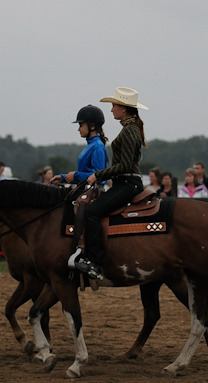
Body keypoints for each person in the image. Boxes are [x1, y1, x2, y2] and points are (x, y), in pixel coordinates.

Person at [74, 87, 148, 279]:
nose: (112, 109)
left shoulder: (130, 130)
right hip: (125, 182)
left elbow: (125, 165)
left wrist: (98, 174)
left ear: (123, 108)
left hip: (128, 183)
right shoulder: (130, 128)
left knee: (92, 212)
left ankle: (95, 262)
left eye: (114, 105)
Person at [50, 105, 109, 188]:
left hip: (93, 193)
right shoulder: (91, 145)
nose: (78, 129)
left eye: (81, 125)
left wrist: (75, 175)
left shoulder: (98, 146)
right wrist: (63, 178)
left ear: (92, 126)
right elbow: (84, 174)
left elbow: (98, 175)